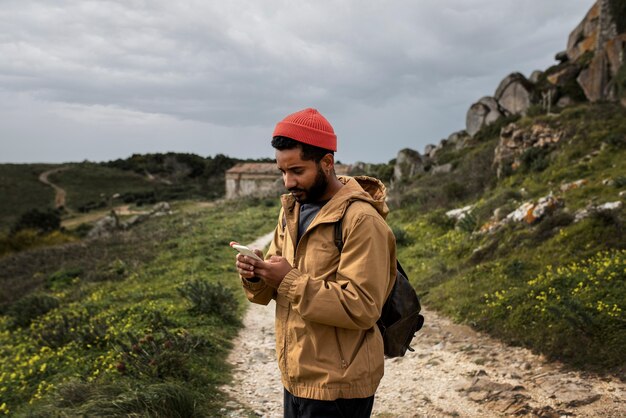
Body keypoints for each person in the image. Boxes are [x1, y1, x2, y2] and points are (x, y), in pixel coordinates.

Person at [235, 108, 396, 418]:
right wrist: (256, 274)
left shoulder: (362, 220)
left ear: (327, 162)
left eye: (297, 171)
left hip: (339, 386)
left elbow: (362, 306)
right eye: (282, 171)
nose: (288, 182)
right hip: (297, 377)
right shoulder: (292, 211)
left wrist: (289, 279)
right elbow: (271, 287)